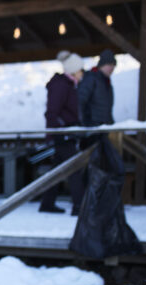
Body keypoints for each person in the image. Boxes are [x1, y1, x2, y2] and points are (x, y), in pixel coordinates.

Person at [40, 50, 86, 215]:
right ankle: (79, 206)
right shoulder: (61, 86)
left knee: (57, 171)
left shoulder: (70, 86)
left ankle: (47, 203)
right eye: (81, 70)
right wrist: (62, 130)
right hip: (62, 136)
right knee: (74, 169)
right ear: (74, 70)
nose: (83, 73)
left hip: (66, 134)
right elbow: (52, 112)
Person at [78, 49, 116, 127]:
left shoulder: (107, 83)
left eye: (113, 65)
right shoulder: (91, 78)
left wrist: (110, 122)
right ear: (102, 65)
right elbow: (80, 100)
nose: (112, 68)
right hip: (92, 127)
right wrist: (85, 122)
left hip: (104, 126)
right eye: (109, 65)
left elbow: (107, 108)